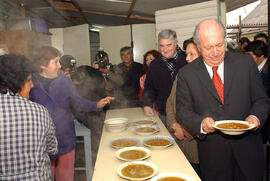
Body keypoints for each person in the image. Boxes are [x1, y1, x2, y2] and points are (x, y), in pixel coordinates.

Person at [176, 19, 269, 181]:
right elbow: (183, 111)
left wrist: (255, 116)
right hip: (214, 159)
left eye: (219, 45)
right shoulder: (187, 74)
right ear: (198, 46)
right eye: (208, 47)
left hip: (249, 154)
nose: (215, 52)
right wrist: (201, 124)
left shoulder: (245, 63)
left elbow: (261, 100)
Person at [29, 46, 114, 181]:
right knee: (45, 177)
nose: (59, 66)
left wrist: (96, 105)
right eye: (55, 62)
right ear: (42, 65)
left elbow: (77, 102)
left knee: (65, 177)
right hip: (41, 142)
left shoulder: (64, 81)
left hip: (65, 138)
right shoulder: (31, 83)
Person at [0, 54, 58, 180]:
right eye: (29, 80)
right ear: (16, 83)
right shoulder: (39, 111)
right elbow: (52, 149)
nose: (32, 85)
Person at [166, 37, 200, 175]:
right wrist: (174, 124)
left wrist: (185, 132)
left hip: (195, 144)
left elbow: (204, 112)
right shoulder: (182, 74)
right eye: (187, 54)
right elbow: (170, 101)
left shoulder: (209, 79)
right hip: (178, 137)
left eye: (192, 54)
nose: (187, 58)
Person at [142, 29, 186, 124]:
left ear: (176, 43)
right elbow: (149, 88)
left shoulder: (187, 60)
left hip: (186, 115)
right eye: (161, 46)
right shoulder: (154, 64)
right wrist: (147, 105)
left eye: (168, 45)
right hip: (163, 114)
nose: (165, 50)